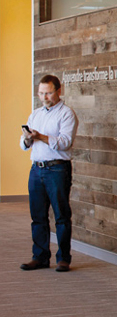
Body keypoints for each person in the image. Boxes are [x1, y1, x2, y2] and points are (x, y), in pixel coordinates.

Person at [20, 75, 79, 272]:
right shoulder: (35, 114)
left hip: (57, 169)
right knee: (37, 216)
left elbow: (64, 143)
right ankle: (40, 257)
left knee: (61, 215)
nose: (44, 97)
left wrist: (41, 136)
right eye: (41, 93)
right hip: (36, 169)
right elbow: (24, 145)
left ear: (58, 91)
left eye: (48, 93)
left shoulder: (66, 114)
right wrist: (28, 139)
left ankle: (63, 259)